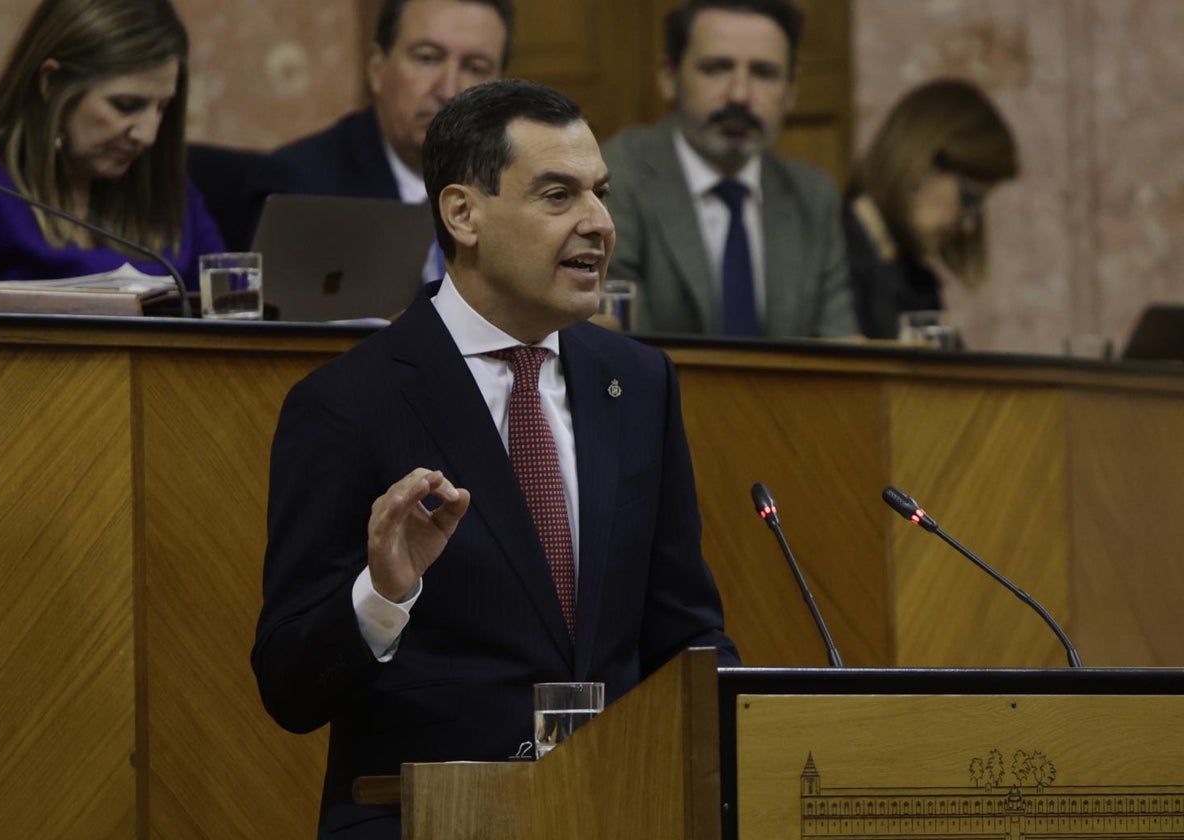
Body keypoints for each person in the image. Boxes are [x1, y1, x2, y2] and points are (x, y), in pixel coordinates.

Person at [252, 78, 740, 839]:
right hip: (424, 822)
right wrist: (382, 595)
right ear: (463, 213)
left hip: (620, 811)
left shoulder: (640, 385)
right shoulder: (347, 403)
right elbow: (288, 686)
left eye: (600, 194)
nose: (600, 224)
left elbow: (686, 635)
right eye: (558, 195)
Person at [601, 0, 857, 339]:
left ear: (792, 90)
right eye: (717, 69)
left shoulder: (812, 195)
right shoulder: (615, 177)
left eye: (764, 73)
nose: (740, 95)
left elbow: (840, 351)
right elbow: (619, 343)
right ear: (669, 77)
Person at [248, 0, 514, 282]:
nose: (449, 90)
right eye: (427, 58)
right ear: (377, 69)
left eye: (475, 68)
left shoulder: (518, 190)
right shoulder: (301, 188)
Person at [0, 0, 223, 289]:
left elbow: (229, 311)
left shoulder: (166, 188)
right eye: (125, 105)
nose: (148, 136)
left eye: (162, 108)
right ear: (51, 83)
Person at [845, 79, 1019, 339]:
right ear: (923, 163)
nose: (969, 226)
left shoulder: (917, 282)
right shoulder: (827, 259)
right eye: (969, 199)